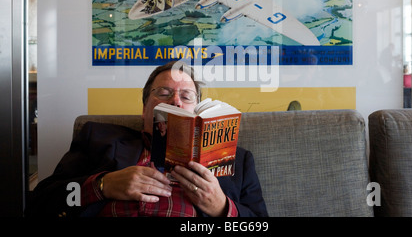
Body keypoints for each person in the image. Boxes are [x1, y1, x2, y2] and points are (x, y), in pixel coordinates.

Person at [26, 61, 268, 217]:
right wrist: (102, 186)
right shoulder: (97, 138)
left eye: (186, 95)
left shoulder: (236, 159)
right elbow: (42, 202)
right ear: (145, 109)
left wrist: (222, 208)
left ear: (196, 110)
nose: (175, 101)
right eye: (163, 93)